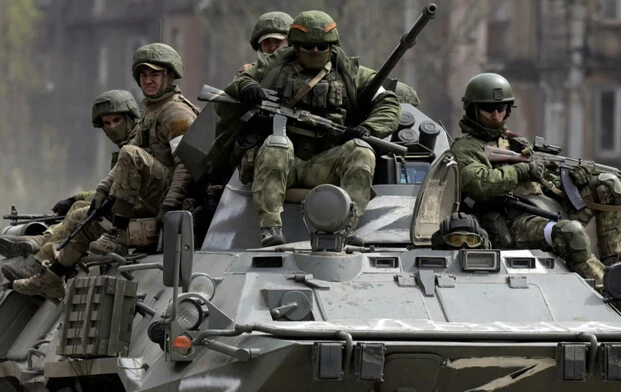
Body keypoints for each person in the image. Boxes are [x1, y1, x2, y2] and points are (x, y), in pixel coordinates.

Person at [448, 72, 621, 314]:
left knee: (608, 185)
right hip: (514, 222)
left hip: (546, 208)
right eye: (488, 109)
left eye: (502, 108)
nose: (497, 115)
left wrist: (575, 177)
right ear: (473, 110)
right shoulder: (465, 149)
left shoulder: (515, 143)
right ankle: (616, 296)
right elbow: (481, 184)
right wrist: (521, 170)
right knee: (571, 233)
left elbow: (545, 180)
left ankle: (615, 267)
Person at [13, 43, 199, 299]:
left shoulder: (176, 113)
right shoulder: (152, 112)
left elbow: (186, 165)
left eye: (155, 75)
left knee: (129, 155)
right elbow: (129, 155)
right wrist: (102, 191)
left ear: (169, 76)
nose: (148, 80)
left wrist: (168, 208)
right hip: (154, 194)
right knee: (83, 217)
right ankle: (52, 277)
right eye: (144, 75)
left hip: (172, 201)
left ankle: (117, 235)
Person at [223, 10, 401, 247]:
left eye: (321, 46)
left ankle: (346, 227)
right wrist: (247, 87)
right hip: (287, 161)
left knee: (361, 150)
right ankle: (271, 228)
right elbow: (239, 82)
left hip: (326, 162)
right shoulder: (276, 66)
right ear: (296, 46)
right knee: (277, 144)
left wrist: (368, 128)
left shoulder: (350, 72)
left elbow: (388, 103)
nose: (316, 51)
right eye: (309, 46)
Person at [0, 90, 141, 282]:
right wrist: (78, 197)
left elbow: (128, 192)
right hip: (125, 208)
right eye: (107, 123)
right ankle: (44, 241)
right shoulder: (127, 147)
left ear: (130, 119)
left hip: (134, 212)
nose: (112, 127)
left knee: (80, 214)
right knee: (77, 207)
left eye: (117, 120)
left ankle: (43, 259)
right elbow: (112, 190)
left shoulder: (136, 149)